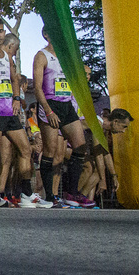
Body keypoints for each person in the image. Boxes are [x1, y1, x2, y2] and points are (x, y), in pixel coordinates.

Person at [0, 22, 49, 207]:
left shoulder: (7, 58)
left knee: (25, 149)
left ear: (4, 33)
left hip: (10, 112)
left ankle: (26, 194)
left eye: (1, 31)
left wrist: (17, 98)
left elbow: (14, 79)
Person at [31, 27, 95, 208]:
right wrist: (48, 111)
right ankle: (50, 196)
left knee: (80, 146)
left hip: (67, 105)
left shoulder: (67, 58)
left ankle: (71, 193)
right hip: (50, 104)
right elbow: (36, 87)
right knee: (50, 152)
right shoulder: (41, 56)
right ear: (46, 35)